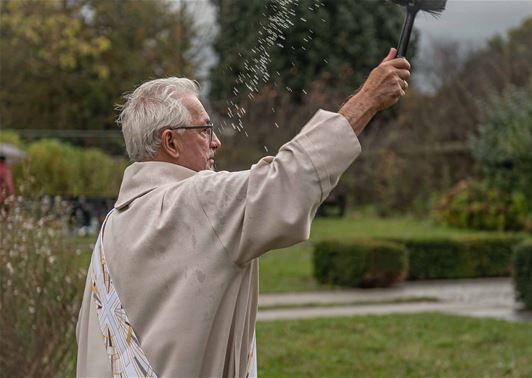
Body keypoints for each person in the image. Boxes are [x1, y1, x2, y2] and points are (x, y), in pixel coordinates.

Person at [76, 47, 411, 377]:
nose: (215, 142)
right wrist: (367, 100)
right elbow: (288, 180)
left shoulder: (113, 226)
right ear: (171, 142)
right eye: (204, 129)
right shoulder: (196, 202)